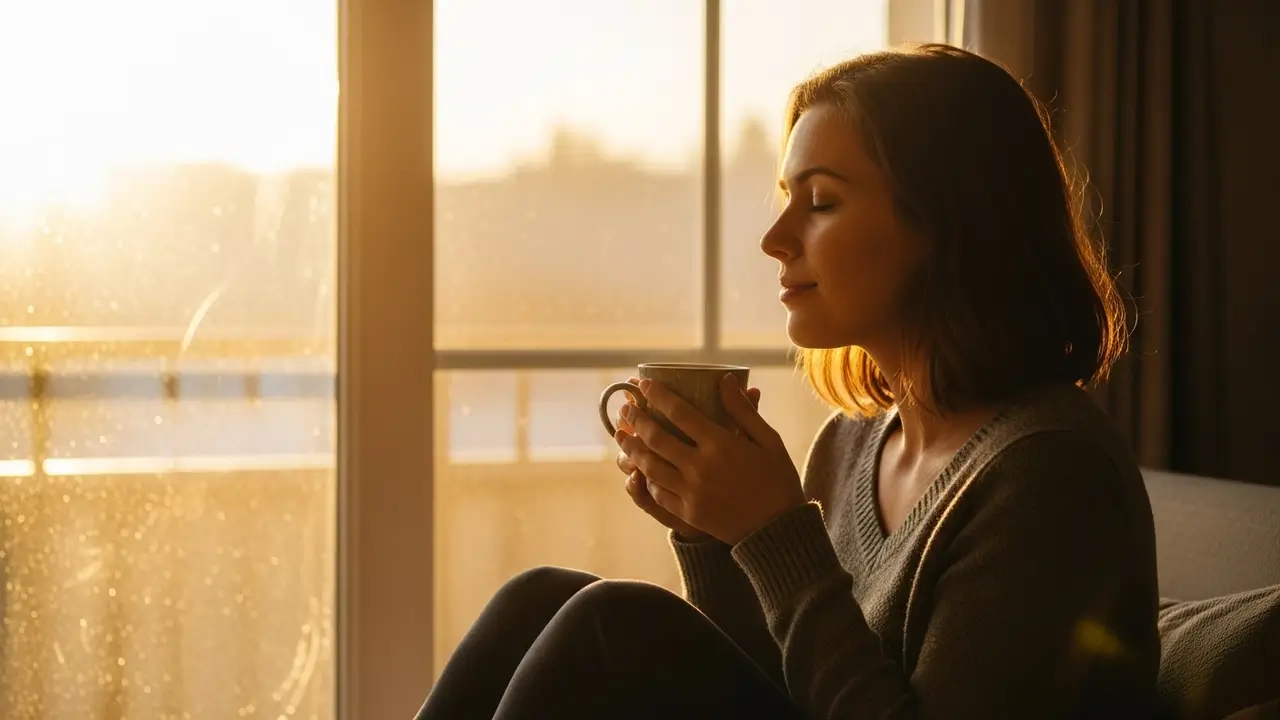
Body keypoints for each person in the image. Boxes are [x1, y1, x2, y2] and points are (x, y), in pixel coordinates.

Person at [415, 43, 1160, 720]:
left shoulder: (1046, 474)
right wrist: (712, 535)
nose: (774, 239)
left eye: (823, 201)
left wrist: (774, 533)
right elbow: (787, 687)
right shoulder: (854, 444)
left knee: (613, 625)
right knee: (538, 595)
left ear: (951, 223)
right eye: (785, 197)